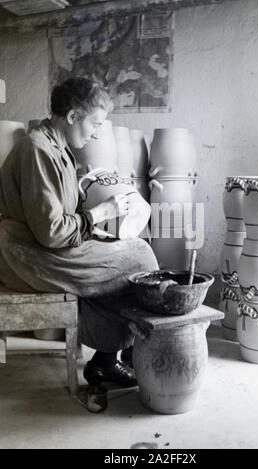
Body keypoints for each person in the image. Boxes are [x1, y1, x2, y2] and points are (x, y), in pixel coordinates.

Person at [0, 77, 158, 388]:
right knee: (140, 258)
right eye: (95, 122)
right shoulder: (37, 149)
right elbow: (52, 233)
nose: (98, 131)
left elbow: (64, 218)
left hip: (44, 247)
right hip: (28, 254)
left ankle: (110, 358)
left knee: (128, 254)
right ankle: (115, 357)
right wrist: (103, 213)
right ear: (72, 117)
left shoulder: (60, 148)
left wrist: (99, 222)